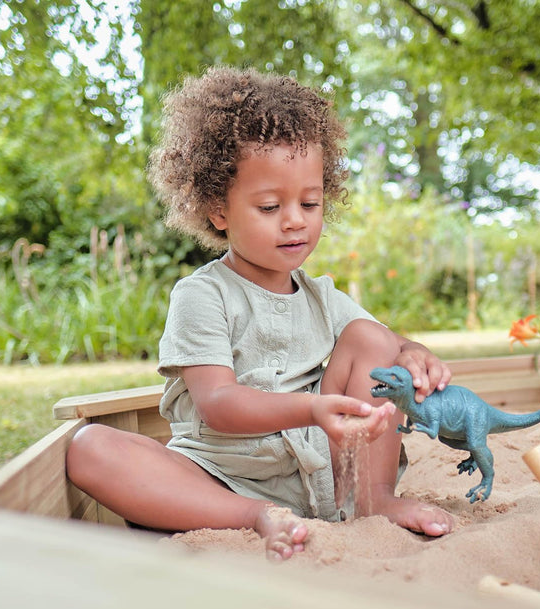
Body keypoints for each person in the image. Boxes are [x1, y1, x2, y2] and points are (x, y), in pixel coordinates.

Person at [66, 66, 455, 560]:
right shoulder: (203, 295)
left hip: (326, 479)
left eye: (310, 203)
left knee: (372, 339)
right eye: (270, 207)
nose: (295, 220)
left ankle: (372, 500)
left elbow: (391, 348)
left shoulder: (322, 297)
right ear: (218, 210)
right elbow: (219, 404)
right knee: (90, 447)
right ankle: (253, 516)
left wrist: (417, 353)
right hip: (223, 479)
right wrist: (310, 409)